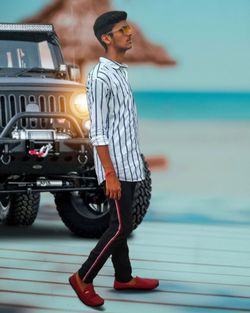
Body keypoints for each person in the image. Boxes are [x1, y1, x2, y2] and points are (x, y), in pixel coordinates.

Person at [69, 10, 159, 307]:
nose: (130, 33)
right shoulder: (99, 77)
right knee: (119, 227)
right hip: (115, 167)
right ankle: (83, 277)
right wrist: (109, 172)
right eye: (123, 30)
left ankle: (124, 277)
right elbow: (98, 130)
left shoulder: (120, 72)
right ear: (107, 38)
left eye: (128, 27)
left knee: (123, 222)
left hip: (129, 164)